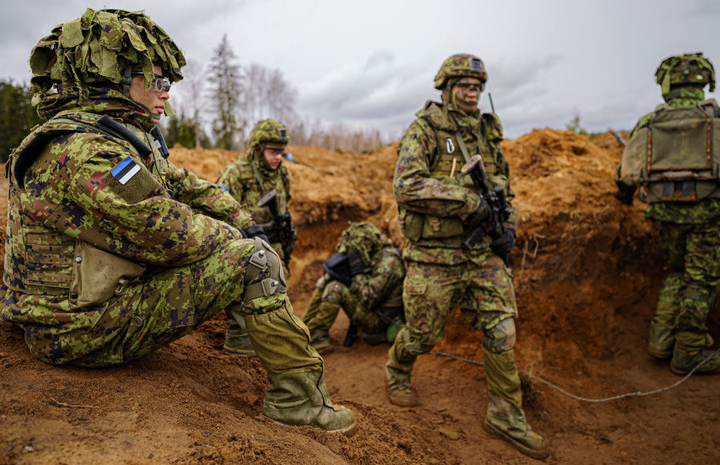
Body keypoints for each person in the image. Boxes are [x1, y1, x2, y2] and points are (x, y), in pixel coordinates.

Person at [0, 8, 354, 435]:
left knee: (247, 244)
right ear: (119, 81)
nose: (167, 93)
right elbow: (169, 233)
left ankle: (244, 342)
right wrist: (240, 235)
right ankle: (300, 404)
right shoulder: (87, 152)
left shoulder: (102, 137)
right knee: (255, 260)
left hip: (68, 315)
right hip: (78, 332)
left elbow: (184, 184)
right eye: (159, 82)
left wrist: (241, 217)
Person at [385, 53, 547, 459]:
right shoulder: (425, 129)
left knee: (501, 330)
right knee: (423, 336)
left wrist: (508, 226)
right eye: (464, 86)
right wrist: (466, 202)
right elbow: (406, 186)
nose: (472, 93)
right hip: (433, 255)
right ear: (446, 88)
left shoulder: (487, 134)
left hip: (482, 254)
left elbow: (504, 189)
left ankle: (505, 415)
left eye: (477, 87)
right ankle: (397, 367)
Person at [616, 52, 720, 375]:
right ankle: (688, 351)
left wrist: (625, 198)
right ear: (704, 81)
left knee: (678, 272)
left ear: (666, 84)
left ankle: (660, 340)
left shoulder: (649, 122)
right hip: (711, 217)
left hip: (666, 217)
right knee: (702, 280)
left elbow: (624, 176)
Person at [216, 119, 296, 356]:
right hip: (246, 246)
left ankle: (274, 342)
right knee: (244, 296)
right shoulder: (235, 173)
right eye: (273, 152)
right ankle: (240, 345)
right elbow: (220, 212)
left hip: (276, 246)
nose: (278, 157)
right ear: (258, 149)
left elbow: (285, 204)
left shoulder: (282, 174)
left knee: (279, 294)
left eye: (281, 152)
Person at [300, 222, 405, 354]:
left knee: (335, 288)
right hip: (372, 310)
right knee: (328, 281)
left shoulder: (389, 264)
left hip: (378, 321)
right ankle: (302, 329)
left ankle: (318, 338)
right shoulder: (375, 255)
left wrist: (357, 273)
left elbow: (369, 299)